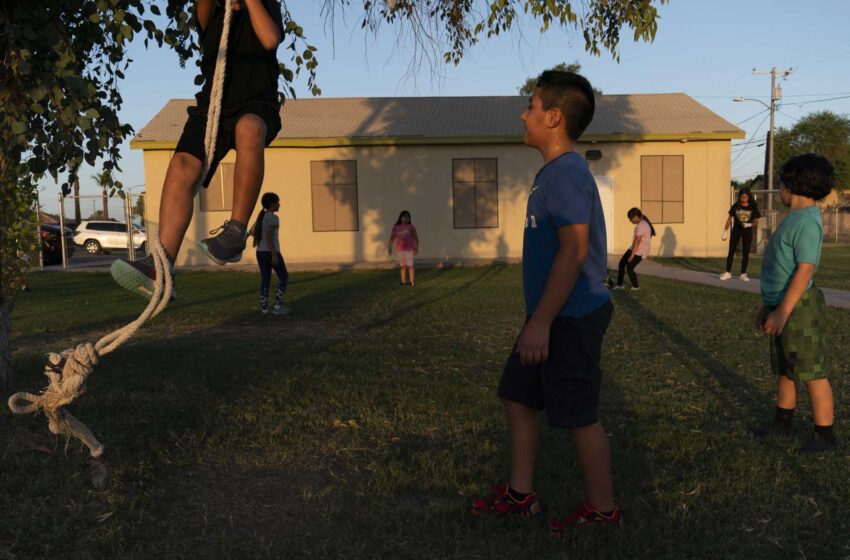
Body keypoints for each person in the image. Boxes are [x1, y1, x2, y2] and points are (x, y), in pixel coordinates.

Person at [472, 70, 621, 530]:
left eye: (531, 106)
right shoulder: (552, 173)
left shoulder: (569, 173)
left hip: (570, 317)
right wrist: (538, 320)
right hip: (548, 315)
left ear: (553, 117)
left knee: (579, 416)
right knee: (517, 396)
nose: (524, 113)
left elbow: (575, 252)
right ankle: (521, 494)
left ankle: (603, 510)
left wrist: (541, 323)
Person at [111, 0, 284, 298]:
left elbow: (270, 39)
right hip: (213, 107)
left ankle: (235, 233)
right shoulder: (210, 9)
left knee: (250, 129)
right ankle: (160, 267)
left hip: (257, 103)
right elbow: (202, 15)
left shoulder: (266, 4)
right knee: (181, 165)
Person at [751, 153, 837, 453]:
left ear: (793, 186)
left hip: (799, 308)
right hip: (783, 306)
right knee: (787, 369)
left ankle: (824, 436)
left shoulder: (808, 222)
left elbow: (804, 270)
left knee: (812, 373)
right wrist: (769, 307)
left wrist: (783, 312)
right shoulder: (795, 218)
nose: (778, 190)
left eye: (781, 184)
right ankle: (782, 423)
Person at [252, 192, 289, 315]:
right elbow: (268, 236)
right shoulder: (273, 218)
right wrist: (274, 254)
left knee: (265, 279)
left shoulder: (261, 217)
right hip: (271, 252)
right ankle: (277, 307)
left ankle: (264, 309)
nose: (279, 204)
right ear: (272, 204)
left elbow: (251, 231)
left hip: (260, 252)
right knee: (284, 277)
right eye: (277, 202)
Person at [720, 187, 761, 282]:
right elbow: (729, 219)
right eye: (742, 197)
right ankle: (728, 272)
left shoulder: (753, 207)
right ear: (740, 197)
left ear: (749, 197)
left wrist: (748, 224)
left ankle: (743, 274)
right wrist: (725, 231)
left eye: (745, 197)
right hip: (736, 230)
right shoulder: (736, 206)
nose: (743, 199)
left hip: (747, 231)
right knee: (731, 251)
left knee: (745, 252)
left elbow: (756, 222)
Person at [613, 208, 655, 291]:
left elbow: (638, 241)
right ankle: (619, 285)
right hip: (634, 248)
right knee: (622, 264)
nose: (630, 220)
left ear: (636, 216)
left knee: (629, 268)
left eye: (630, 218)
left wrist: (632, 255)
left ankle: (636, 287)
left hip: (639, 251)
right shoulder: (641, 224)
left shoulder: (642, 225)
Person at [388, 210, 419, 286]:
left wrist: (416, 247)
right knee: (402, 266)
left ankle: (412, 282)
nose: (406, 218)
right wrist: (389, 247)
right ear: (401, 217)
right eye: (404, 216)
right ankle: (403, 281)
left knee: (410, 266)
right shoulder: (396, 227)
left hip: (409, 250)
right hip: (400, 250)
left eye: (408, 217)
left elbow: (416, 238)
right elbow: (392, 238)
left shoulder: (411, 227)